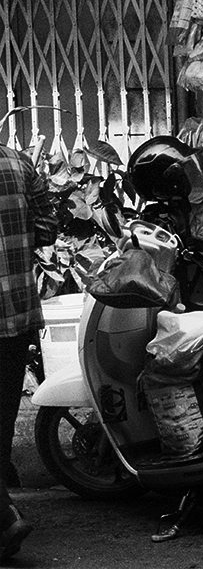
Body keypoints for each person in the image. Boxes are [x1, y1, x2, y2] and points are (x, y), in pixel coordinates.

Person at [0, 141, 58, 557]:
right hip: (15, 313)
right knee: (2, 412)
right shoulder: (17, 162)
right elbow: (47, 228)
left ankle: (3, 517)